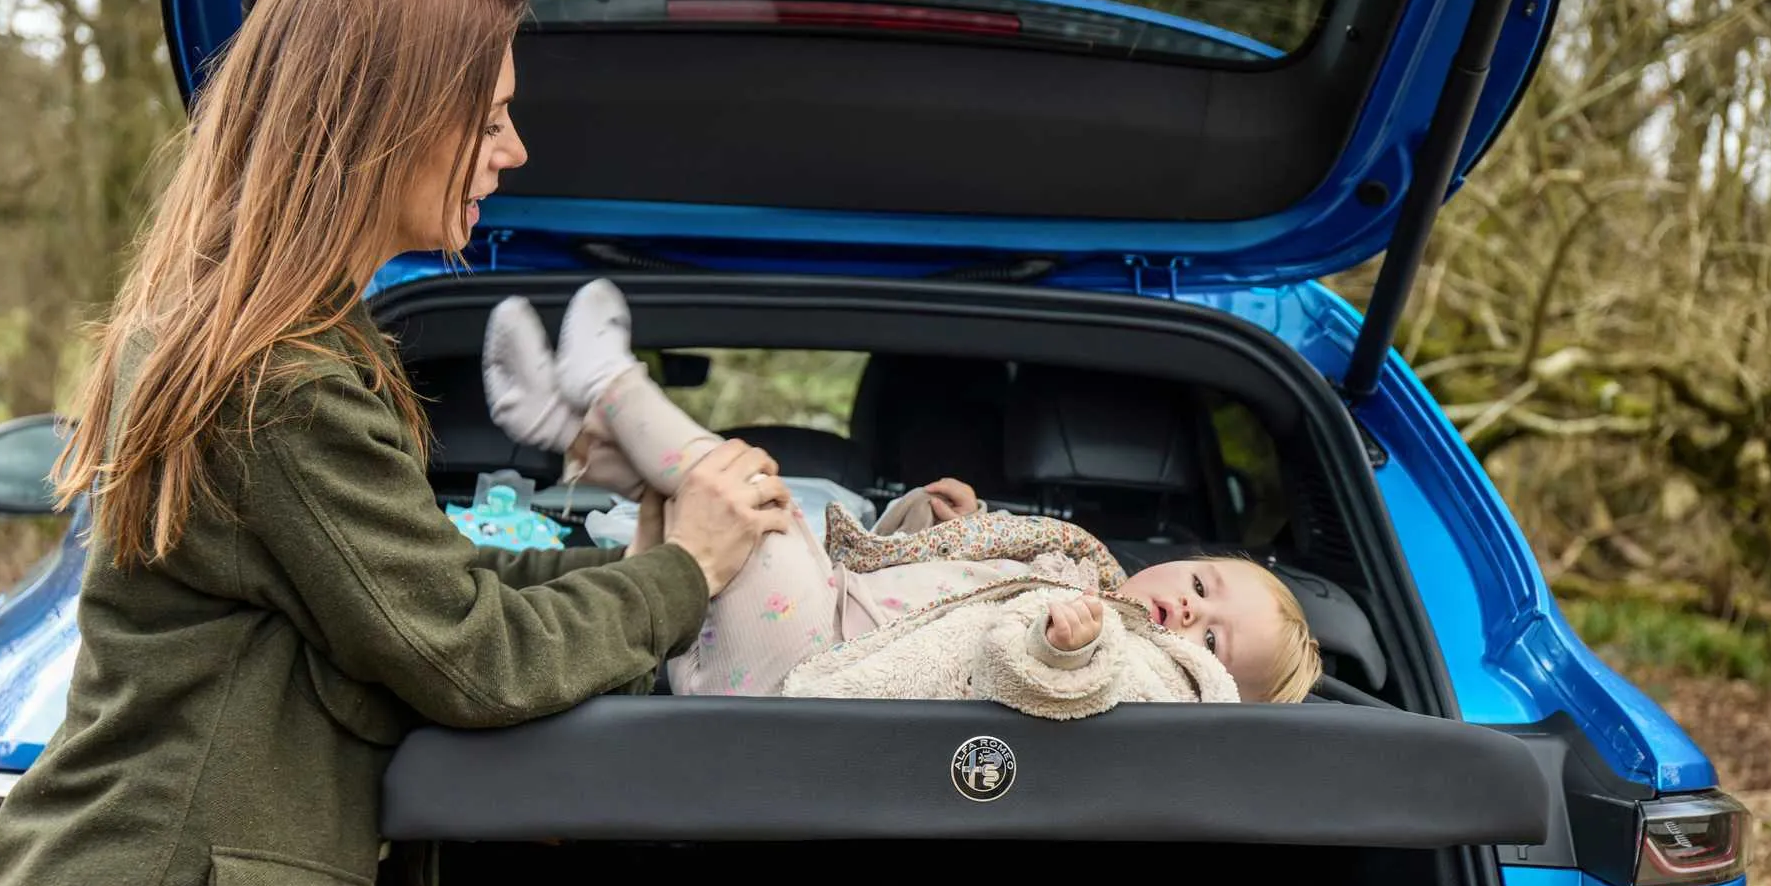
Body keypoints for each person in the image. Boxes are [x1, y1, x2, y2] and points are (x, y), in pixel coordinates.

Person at [0, 0, 795, 886]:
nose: (515, 150)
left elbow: (430, 582)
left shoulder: (270, 346)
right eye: (488, 118)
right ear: (382, 123)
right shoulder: (277, 385)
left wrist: (641, 561)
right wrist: (685, 572)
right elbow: (468, 657)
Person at [482, 280, 1327, 718]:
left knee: (755, 504)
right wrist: (925, 528)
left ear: (1218, 692)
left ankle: (613, 385)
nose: (1186, 615)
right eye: (1204, 589)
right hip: (809, 641)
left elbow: (1060, 683)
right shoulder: (1088, 581)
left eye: (1214, 639)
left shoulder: (1146, 674)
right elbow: (929, 609)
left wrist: (1068, 650)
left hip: (801, 681)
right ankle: (575, 433)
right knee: (745, 520)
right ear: (1190, 560)